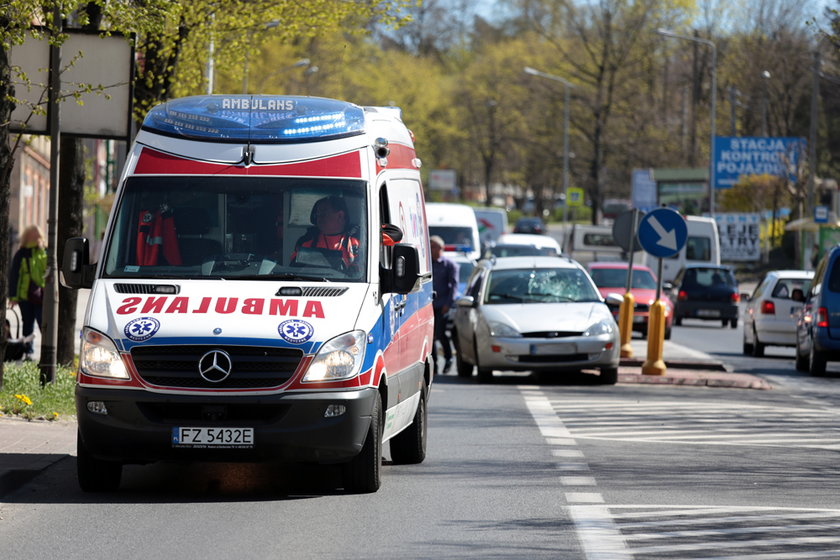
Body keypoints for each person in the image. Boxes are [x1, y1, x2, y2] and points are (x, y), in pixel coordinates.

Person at [8, 225, 47, 360]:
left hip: (41, 295)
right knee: (27, 323)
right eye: (32, 235)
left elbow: (46, 270)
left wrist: (41, 248)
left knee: (44, 323)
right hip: (25, 296)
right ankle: (28, 352)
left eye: (37, 235)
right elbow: (14, 276)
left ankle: (47, 352)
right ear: (26, 237)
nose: (35, 237)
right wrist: (13, 297)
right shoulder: (21, 253)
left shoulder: (44, 252)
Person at [291, 196, 360, 270]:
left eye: (323, 214)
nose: (319, 218)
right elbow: (294, 272)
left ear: (340, 215)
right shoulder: (306, 242)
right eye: (317, 214)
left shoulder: (357, 242)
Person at [431, 235, 458, 374]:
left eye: (433, 246)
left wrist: (448, 304)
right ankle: (433, 364)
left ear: (441, 248)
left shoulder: (449, 265)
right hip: (429, 305)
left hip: (442, 306)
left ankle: (448, 358)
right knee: (430, 336)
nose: (430, 249)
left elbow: (454, 286)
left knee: (440, 334)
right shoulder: (428, 264)